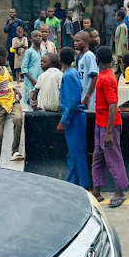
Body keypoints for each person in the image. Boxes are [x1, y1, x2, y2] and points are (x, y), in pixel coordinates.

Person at [92, 46, 128, 208]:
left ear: (97, 60)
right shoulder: (105, 76)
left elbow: (113, 105)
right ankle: (96, 191)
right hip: (101, 124)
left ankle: (120, 191)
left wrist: (108, 132)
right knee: (98, 156)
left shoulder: (106, 78)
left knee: (113, 157)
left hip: (108, 126)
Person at [56, 47, 90, 190]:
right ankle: (73, 185)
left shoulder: (68, 75)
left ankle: (84, 186)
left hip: (73, 118)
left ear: (60, 60)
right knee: (73, 154)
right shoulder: (73, 73)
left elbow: (72, 102)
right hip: (75, 117)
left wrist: (63, 121)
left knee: (77, 154)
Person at [74, 31, 98, 111]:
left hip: (88, 97)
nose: (75, 43)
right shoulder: (80, 56)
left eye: (78, 41)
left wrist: (87, 97)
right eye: (74, 41)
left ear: (85, 42)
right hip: (82, 94)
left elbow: (94, 76)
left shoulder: (89, 56)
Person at [21, 30, 46, 105]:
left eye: (40, 36)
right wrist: (32, 80)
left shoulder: (44, 51)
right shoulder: (29, 52)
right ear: (31, 39)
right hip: (31, 81)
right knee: (32, 100)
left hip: (41, 80)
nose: (38, 38)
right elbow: (24, 69)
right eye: (35, 36)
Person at [4, 9, 24, 77]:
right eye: (10, 12)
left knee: (19, 57)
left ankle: (21, 74)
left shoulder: (19, 21)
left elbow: (22, 30)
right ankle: (14, 74)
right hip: (10, 42)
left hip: (18, 42)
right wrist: (9, 24)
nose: (11, 13)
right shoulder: (8, 21)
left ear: (16, 13)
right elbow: (5, 30)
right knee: (11, 57)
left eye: (13, 12)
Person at [114, 11, 128, 82]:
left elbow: (122, 41)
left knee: (125, 72)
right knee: (116, 72)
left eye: (116, 16)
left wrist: (119, 54)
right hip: (119, 53)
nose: (115, 17)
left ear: (119, 17)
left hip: (121, 53)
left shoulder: (122, 27)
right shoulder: (120, 26)